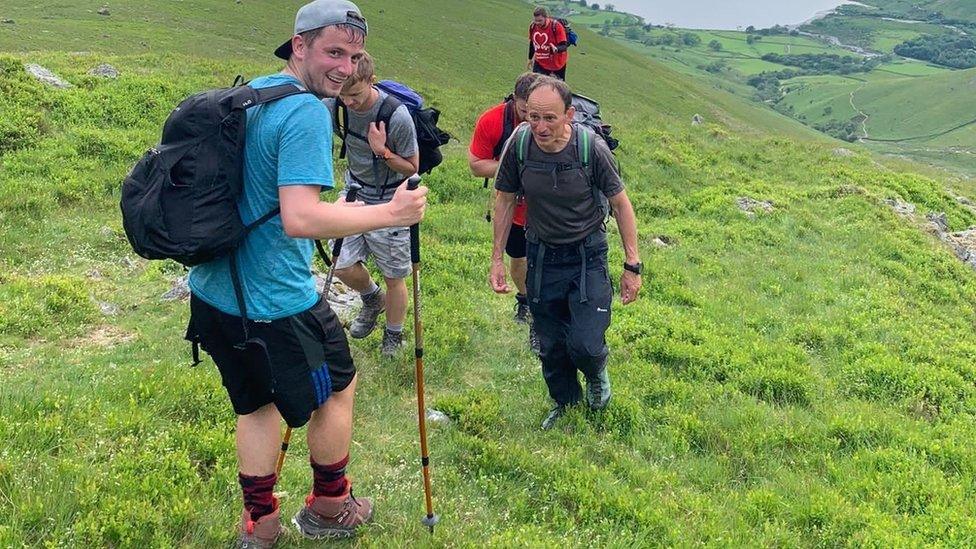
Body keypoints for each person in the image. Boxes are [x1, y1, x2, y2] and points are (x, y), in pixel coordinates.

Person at [185, 1, 428, 546]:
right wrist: (391, 212)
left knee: (257, 405)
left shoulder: (255, 93)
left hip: (214, 289)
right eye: (332, 52)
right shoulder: (304, 113)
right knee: (339, 387)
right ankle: (329, 506)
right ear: (300, 45)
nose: (344, 67)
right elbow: (301, 217)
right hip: (276, 299)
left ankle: (260, 526)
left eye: (354, 54)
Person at [489, 76, 642, 430]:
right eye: (532, 117)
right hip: (541, 254)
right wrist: (497, 258)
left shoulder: (591, 149)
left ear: (569, 115)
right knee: (551, 343)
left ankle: (597, 371)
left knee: (585, 343)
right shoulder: (520, 145)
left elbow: (620, 204)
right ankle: (565, 404)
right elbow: (505, 198)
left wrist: (632, 265)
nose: (540, 127)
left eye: (550, 118)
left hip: (587, 254)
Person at [322, 52, 420, 357]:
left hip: (392, 200)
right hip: (354, 195)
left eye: (355, 94)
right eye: (344, 94)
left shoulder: (396, 115)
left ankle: (394, 335)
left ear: (371, 81)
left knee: (395, 276)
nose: (349, 102)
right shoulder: (336, 105)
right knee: (340, 264)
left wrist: (382, 151)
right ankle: (371, 297)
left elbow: (413, 168)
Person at [468, 71, 542, 353]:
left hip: (545, 210)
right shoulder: (493, 121)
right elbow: (476, 165)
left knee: (545, 263)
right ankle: (524, 298)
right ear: (515, 100)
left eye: (538, 113)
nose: (531, 120)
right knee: (518, 258)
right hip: (511, 207)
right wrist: (512, 169)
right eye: (526, 111)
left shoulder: (551, 123)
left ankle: (539, 317)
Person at [526, 6, 569, 80]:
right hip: (540, 62)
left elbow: (564, 46)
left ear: (546, 17)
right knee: (536, 84)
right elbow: (532, 43)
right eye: (536, 20)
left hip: (556, 63)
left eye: (540, 20)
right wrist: (530, 59)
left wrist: (556, 49)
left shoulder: (556, 26)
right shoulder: (533, 26)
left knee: (557, 88)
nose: (537, 23)